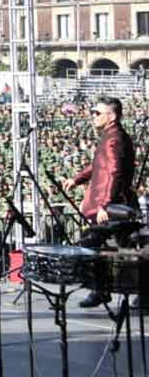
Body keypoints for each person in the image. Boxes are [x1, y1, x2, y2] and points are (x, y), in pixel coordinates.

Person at [64, 95, 136, 308]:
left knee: (97, 245)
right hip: (106, 202)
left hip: (110, 204)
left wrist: (105, 204)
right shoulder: (110, 136)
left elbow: (114, 172)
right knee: (105, 247)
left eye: (97, 112)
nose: (93, 116)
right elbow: (98, 165)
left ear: (111, 116)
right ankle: (100, 290)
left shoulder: (114, 139)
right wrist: (77, 179)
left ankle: (101, 290)